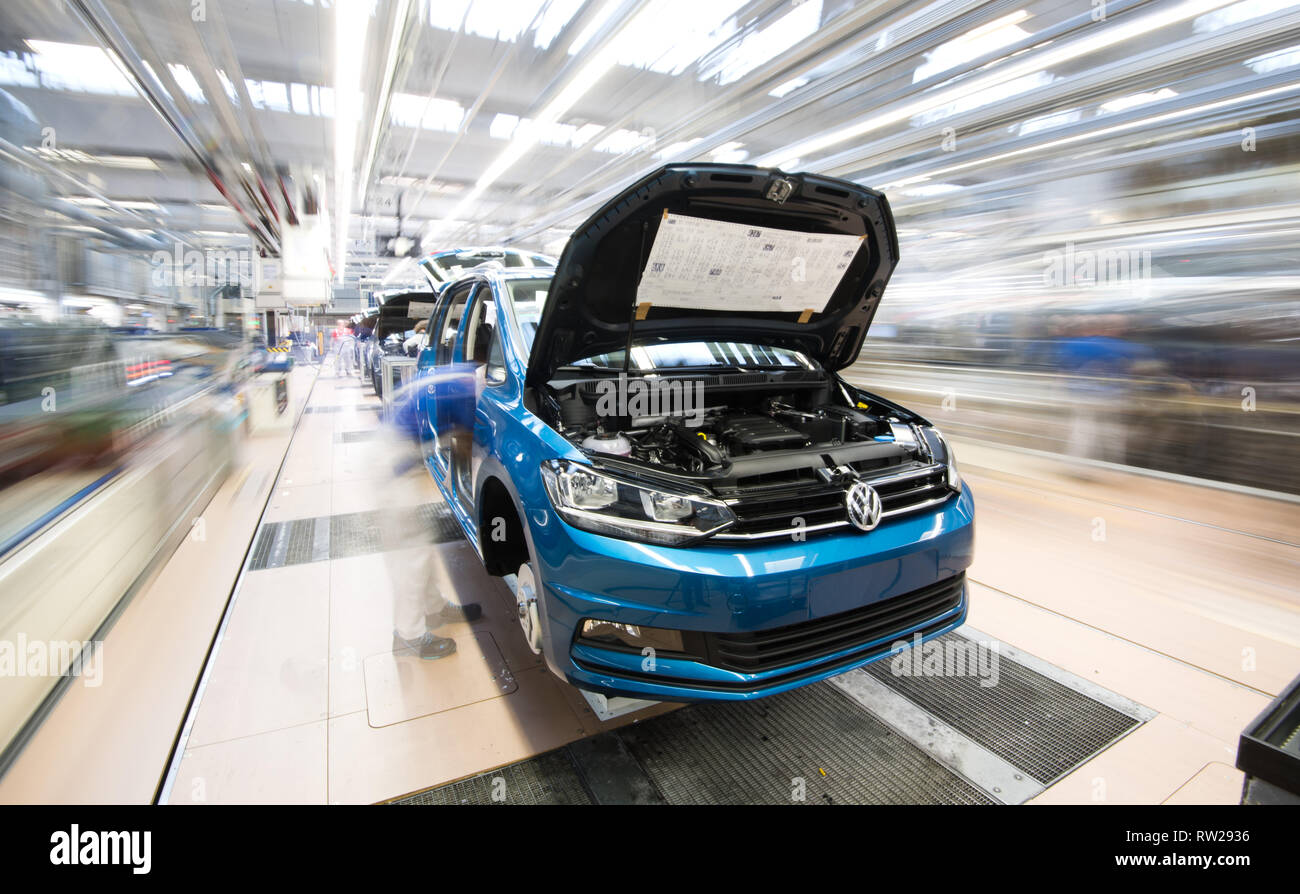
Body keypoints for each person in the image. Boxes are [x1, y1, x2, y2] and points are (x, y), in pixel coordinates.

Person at [380, 377, 481, 659]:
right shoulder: (467, 387)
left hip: (400, 452)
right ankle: (408, 635)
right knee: (409, 553)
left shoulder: (462, 378)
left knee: (419, 546)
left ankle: (435, 608)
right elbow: (465, 441)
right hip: (392, 459)